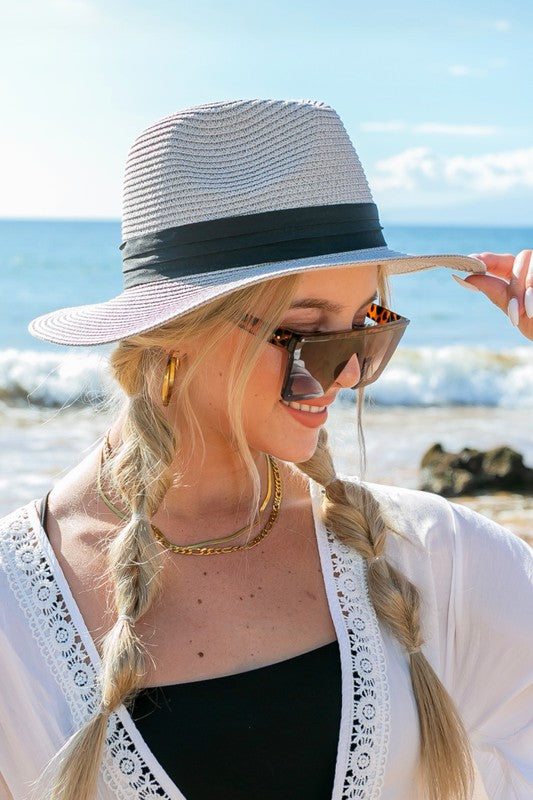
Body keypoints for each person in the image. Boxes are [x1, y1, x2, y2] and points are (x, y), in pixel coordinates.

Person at [0, 99, 531, 800]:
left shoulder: (435, 556)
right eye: (312, 334)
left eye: (367, 328)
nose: (348, 372)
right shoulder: (15, 609)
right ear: (175, 329)